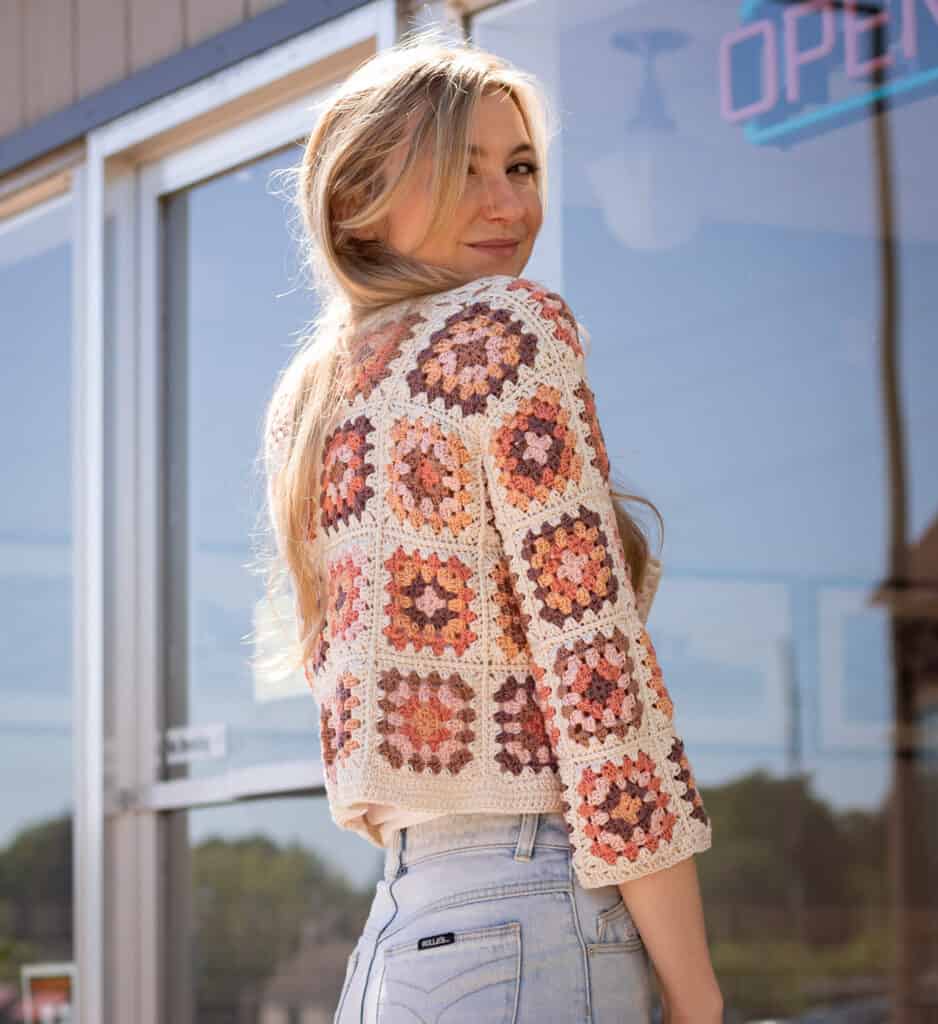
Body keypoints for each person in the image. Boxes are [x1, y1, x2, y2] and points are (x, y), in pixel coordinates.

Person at [259, 25, 722, 1024]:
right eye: (461, 169)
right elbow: (598, 686)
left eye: (518, 166)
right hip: (538, 910)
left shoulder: (316, 400)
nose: (508, 204)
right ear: (360, 196)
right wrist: (694, 992)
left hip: (394, 938)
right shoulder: (503, 334)